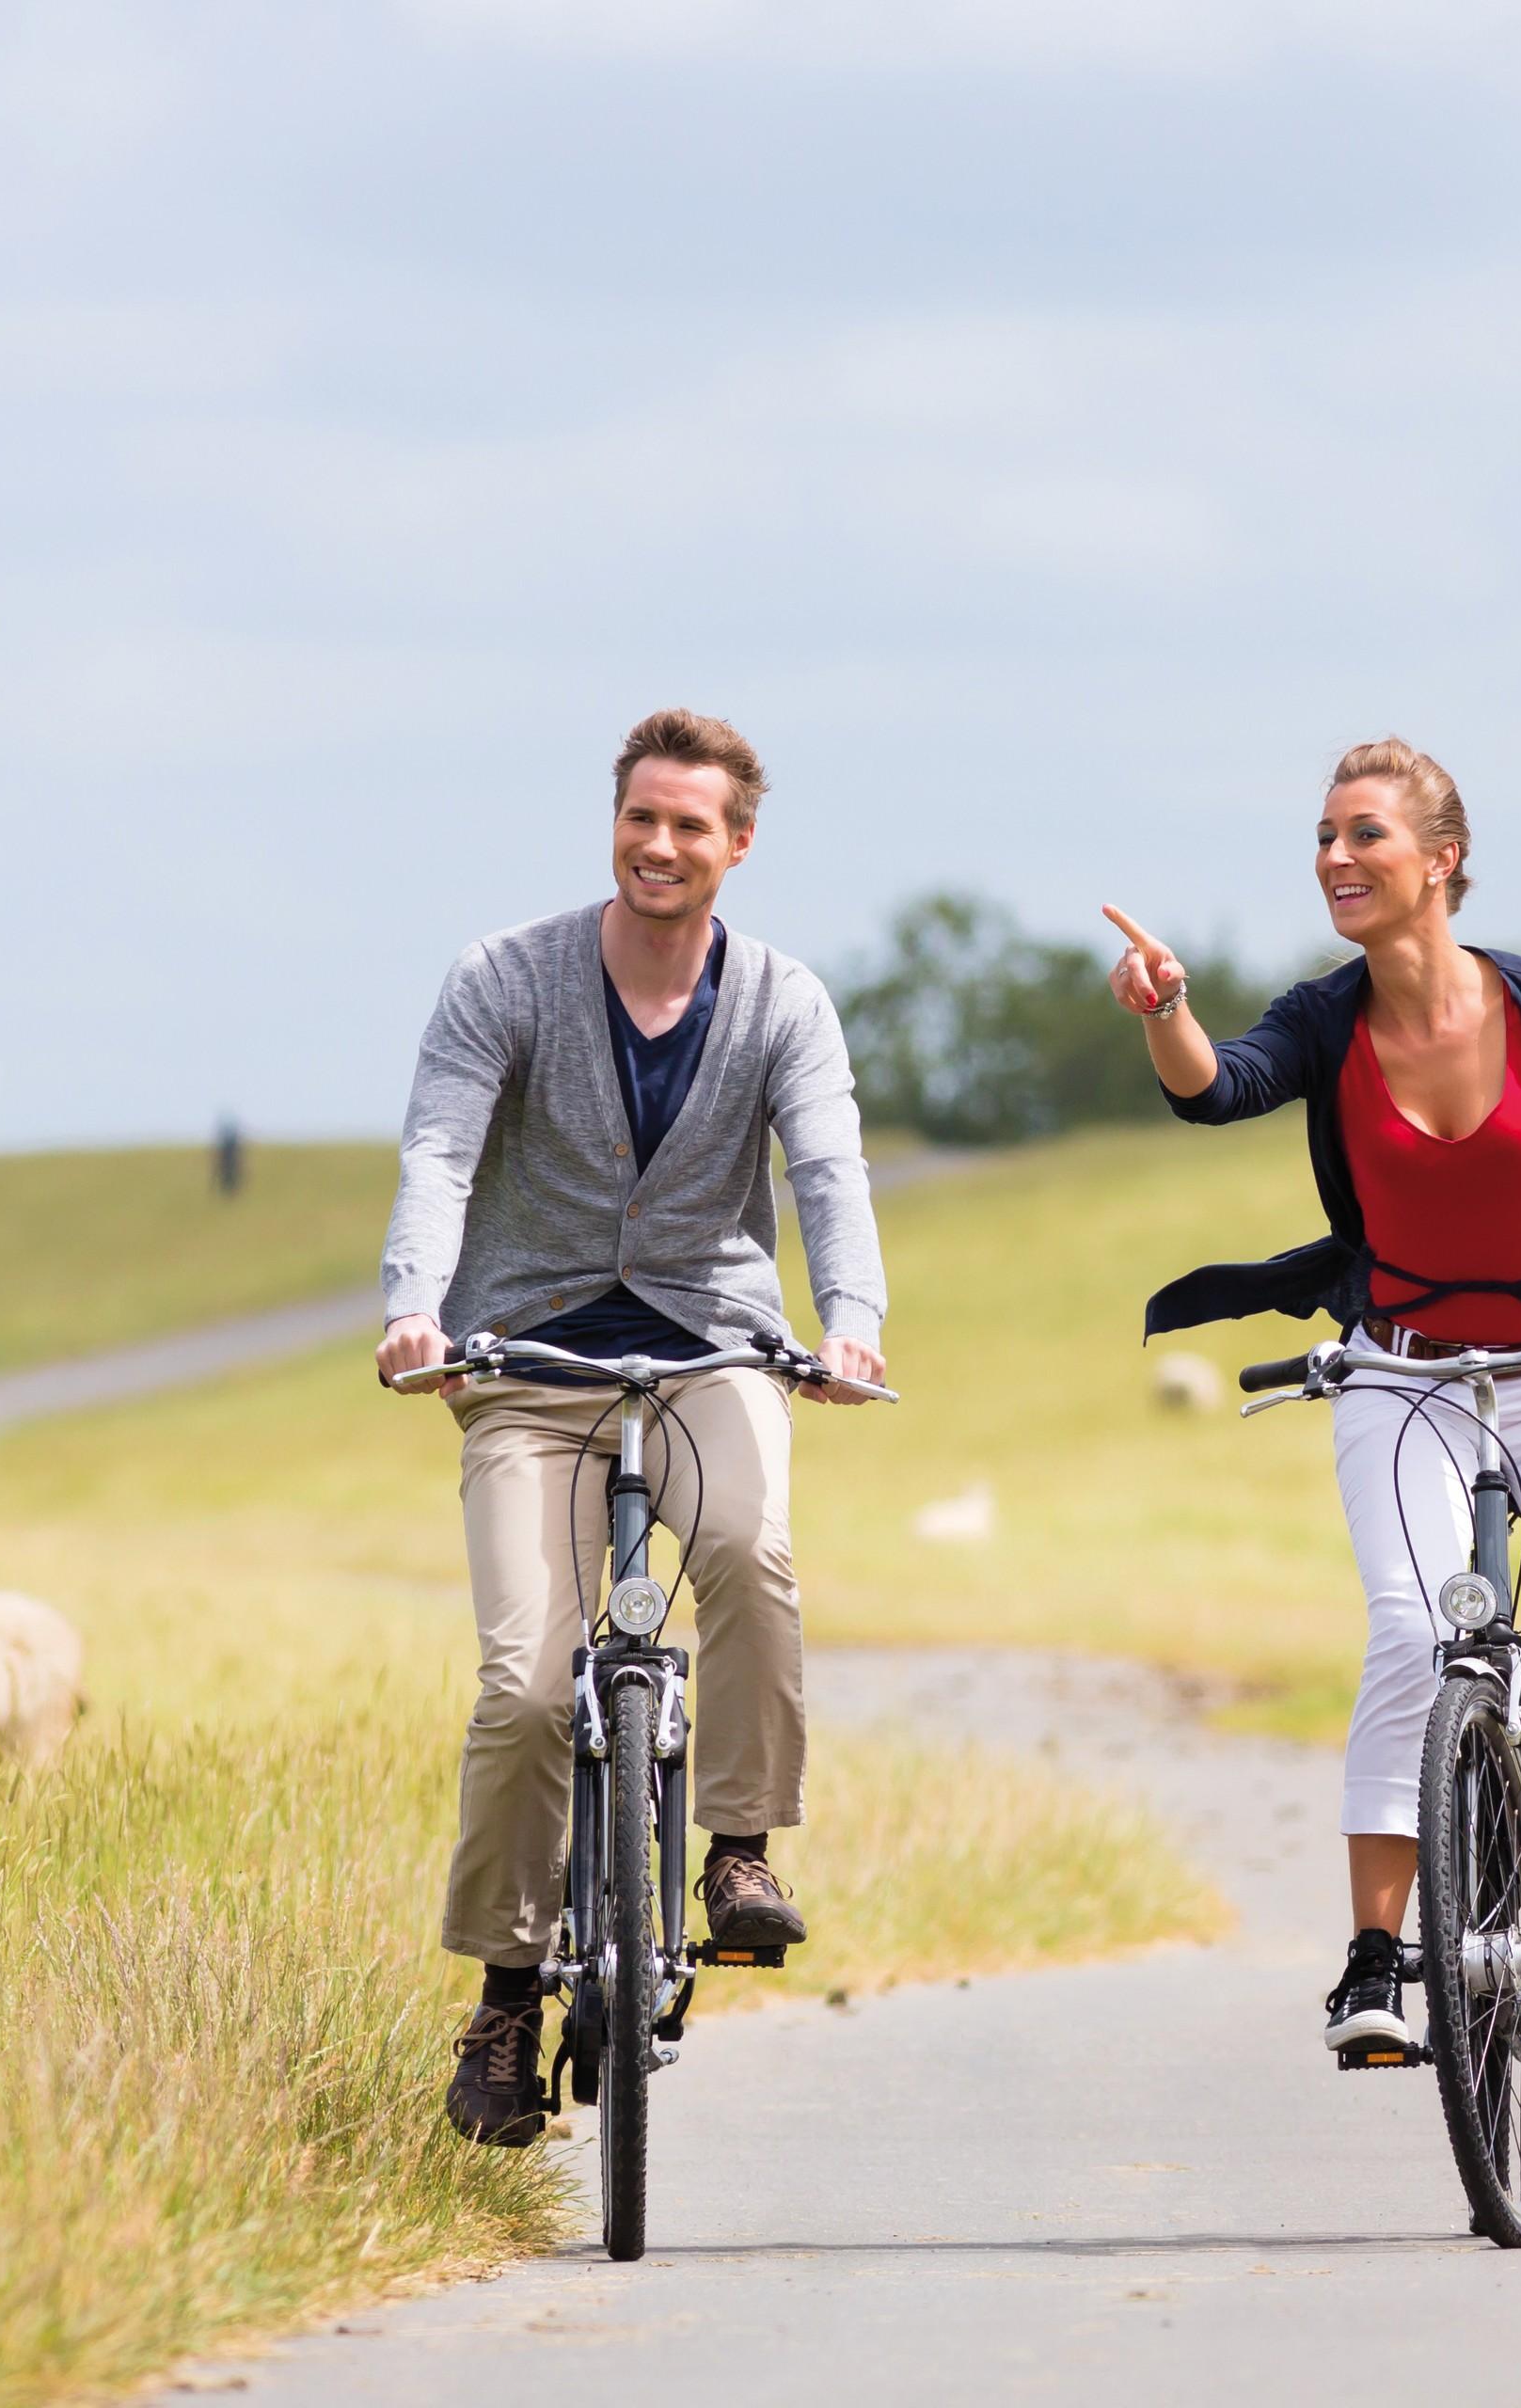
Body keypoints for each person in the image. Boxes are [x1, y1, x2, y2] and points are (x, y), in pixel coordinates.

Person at [1107, 737, 1521, 2055]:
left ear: (1441, 860)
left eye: (1366, 837)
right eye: (1325, 839)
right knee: (1411, 1636)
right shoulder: (1326, 1017)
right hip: (1402, 1375)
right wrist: (1167, 1009)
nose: (1336, 859)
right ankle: (1374, 1958)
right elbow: (1218, 1090)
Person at [378, 706, 889, 2148]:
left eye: (690, 825)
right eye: (639, 819)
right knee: (525, 1688)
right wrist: (418, 1305)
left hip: (708, 1351)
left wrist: (848, 1319)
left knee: (751, 1551)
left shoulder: (784, 1000)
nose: (659, 845)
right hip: (527, 1365)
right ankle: (502, 1997)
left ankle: (736, 1851)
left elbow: (831, 1170)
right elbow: (438, 1148)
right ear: (617, 824)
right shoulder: (507, 978)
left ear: (737, 845)